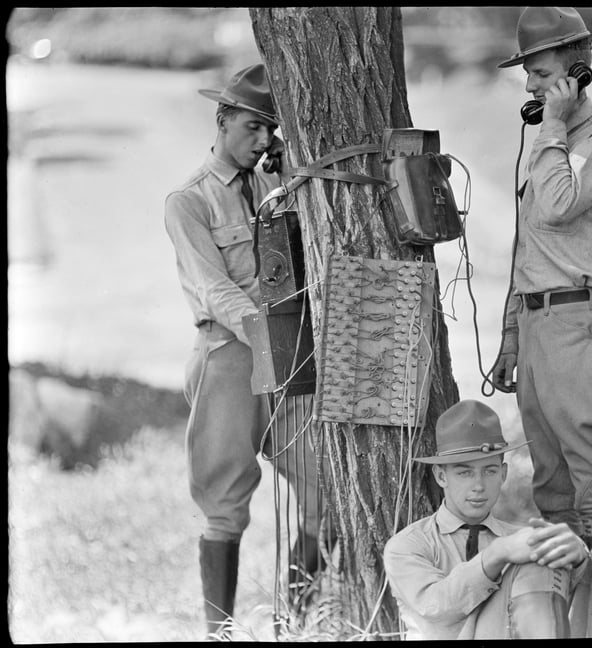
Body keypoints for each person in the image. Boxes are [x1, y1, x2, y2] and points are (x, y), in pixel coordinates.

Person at [164, 63, 324, 639]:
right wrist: (261, 331)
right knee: (225, 501)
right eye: (254, 127)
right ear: (223, 119)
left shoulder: (281, 188)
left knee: (323, 487)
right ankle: (221, 632)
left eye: (271, 131)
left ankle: (296, 622)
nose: (263, 141)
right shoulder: (189, 201)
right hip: (229, 356)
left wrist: (294, 177)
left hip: (289, 357)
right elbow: (212, 287)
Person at [491, 7, 592, 550]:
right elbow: (528, 248)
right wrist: (511, 337)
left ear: (577, 74)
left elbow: (558, 207)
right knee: (552, 491)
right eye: (527, 74)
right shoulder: (546, 147)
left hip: (581, 320)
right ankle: (571, 617)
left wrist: (551, 129)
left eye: (540, 73)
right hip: (538, 326)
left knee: (591, 490)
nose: (529, 85)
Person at [382, 400, 592, 639]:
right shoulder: (408, 544)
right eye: (464, 472)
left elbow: (572, 606)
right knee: (534, 558)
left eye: (488, 471)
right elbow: (435, 607)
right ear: (440, 476)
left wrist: (579, 561)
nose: (478, 485)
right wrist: (498, 554)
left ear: (503, 474)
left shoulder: (520, 538)